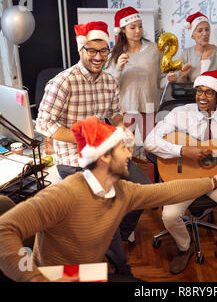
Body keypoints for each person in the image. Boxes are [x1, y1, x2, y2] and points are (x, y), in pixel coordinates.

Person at [0, 117, 217, 281]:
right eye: (122, 148)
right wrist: (34, 278)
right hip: (58, 277)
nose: (129, 154)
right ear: (103, 157)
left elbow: (167, 192)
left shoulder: (122, 191)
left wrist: (214, 182)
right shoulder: (64, 194)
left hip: (87, 274)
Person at [35, 21, 143, 276]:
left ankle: (111, 240)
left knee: (141, 190)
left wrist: (122, 129)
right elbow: (43, 123)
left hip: (104, 153)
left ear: (109, 51)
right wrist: (85, 137)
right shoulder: (62, 82)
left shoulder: (109, 81)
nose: (97, 56)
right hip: (72, 158)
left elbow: (114, 114)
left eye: (103, 51)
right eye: (91, 50)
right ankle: (121, 270)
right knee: (107, 208)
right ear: (81, 50)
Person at [144, 70, 217, 276]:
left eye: (209, 93)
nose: (202, 97)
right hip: (185, 179)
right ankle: (185, 246)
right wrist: (183, 151)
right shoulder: (179, 114)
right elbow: (150, 141)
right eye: (199, 91)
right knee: (169, 216)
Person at [105, 6, 164, 145]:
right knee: (126, 146)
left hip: (149, 104)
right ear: (123, 30)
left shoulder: (153, 49)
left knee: (152, 145)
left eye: (140, 26)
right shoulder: (114, 53)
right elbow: (109, 84)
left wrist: (171, 77)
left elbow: (160, 78)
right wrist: (118, 68)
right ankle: (126, 168)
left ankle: (153, 168)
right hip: (126, 107)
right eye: (132, 27)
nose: (138, 31)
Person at [167, 12, 217, 84]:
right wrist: (183, 76)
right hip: (192, 94)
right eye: (200, 30)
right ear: (192, 35)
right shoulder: (186, 53)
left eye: (207, 30)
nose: (205, 34)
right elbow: (181, 84)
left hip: (215, 95)